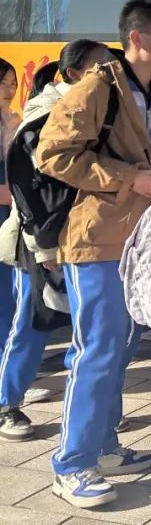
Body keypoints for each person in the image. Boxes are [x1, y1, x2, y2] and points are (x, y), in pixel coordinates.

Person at [37, 0, 151, 509]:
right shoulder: (97, 87)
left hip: (140, 245)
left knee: (119, 351)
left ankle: (104, 447)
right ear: (138, 39)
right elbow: (52, 154)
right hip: (95, 240)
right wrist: (131, 178)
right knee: (97, 351)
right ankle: (71, 463)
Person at [0, 41, 110, 441]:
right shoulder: (44, 114)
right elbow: (30, 189)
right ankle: (6, 403)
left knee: (84, 326)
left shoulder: (101, 111)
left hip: (82, 238)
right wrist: (43, 247)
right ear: (78, 72)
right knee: (33, 321)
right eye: (103, 67)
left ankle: (89, 412)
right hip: (38, 239)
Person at [0, 58, 22, 363]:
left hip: (10, 215)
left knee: (8, 296)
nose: (9, 89)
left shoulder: (15, 121)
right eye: (3, 82)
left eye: (13, 83)